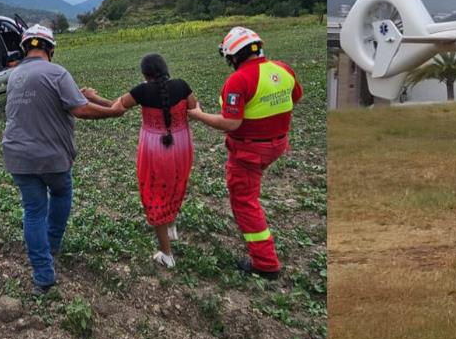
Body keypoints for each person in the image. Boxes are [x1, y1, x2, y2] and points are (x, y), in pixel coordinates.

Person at [2, 24, 124, 295]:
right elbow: (81, 110)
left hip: (16, 155)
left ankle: (42, 277)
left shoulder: (13, 76)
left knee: (33, 211)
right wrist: (112, 111)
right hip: (51, 157)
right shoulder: (57, 72)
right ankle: (52, 243)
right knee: (61, 192)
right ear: (51, 49)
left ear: (26, 49)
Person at [188, 26, 301, 279]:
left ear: (234, 56)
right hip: (277, 144)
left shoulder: (239, 80)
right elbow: (295, 97)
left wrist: (198, 115)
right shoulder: (283, 69)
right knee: (250, 193)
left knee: (245, 202)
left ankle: (266, 263)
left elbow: (231, 123)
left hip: (249, 152)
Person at [82, 54, 195, 269]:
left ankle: (166, 254)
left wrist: (92, 98)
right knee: (175, 184)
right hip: (181, 144)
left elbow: (115, 109)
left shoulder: (141, 91)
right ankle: (171, 228)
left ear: (145, 73)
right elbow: (193, 106)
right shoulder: (182, 86)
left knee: (154, 194)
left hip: (155, 149)